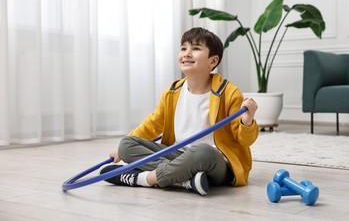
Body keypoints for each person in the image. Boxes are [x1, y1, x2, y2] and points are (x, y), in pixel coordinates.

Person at [100, 27, 259, 195]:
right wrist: (121, 150)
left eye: (196, 48)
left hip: (214, 162)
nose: (187, 53)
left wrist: (247, 121)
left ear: (212, 62)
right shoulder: (172, 92)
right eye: (184, 48)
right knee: (126, 144)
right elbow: (152, 124)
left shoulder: (229, 92)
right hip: (178, 157)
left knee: (203, 150)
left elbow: (244, 140)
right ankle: (186, 180)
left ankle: (145, 179)